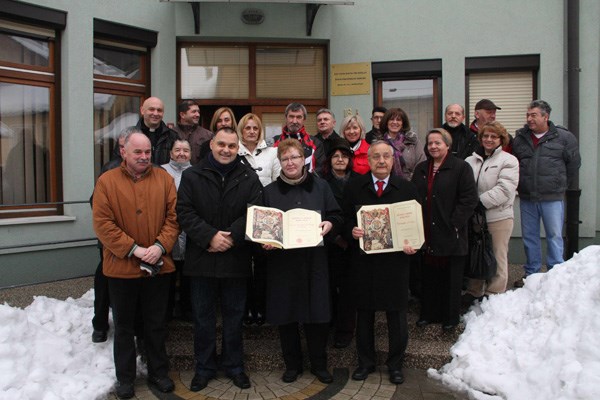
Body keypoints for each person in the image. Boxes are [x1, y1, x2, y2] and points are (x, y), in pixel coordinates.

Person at [92, 130, 179, 399]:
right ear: (124, 153)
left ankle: (158, 373)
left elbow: (173, 218)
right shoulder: (107, 181)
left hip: (157, 265)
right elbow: (103, 224)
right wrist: (135, 249)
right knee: (125, 326)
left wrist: (158, 247)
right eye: (138, 152)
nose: (143, 157)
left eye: (147, 152)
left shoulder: (164, 179)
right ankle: (125, 378)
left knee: (155, 324)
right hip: (121, 269)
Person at [176, 127, 263, 391]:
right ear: (212, 144)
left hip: (235, 260)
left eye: (232, 146)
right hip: (202, 259)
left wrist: (231, 237)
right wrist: (210, 237)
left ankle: (234, 366)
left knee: (234, 317)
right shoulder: (192, 175)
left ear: (238, 149)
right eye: (221, 144)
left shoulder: (249, 176)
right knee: (203, 318)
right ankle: (204, 368)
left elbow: (254, 211)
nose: (226, 150)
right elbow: (184, 211)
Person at [262, 138, 343, 384]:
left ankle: (319, 364)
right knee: (286, 316)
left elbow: (336, 215)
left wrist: (330, 224)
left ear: (303, 159)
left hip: (314, 262)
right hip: (283, 264)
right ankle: (292, 365)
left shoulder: (321, 187)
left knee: (317, 315)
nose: (290, 162)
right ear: (280, 162)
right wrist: (264, 241)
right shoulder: (269, 192)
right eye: (285, 159)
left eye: (294, 157)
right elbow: (261, 226)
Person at [341, 140, 419, 385]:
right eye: (376, 156)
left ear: (393, 159)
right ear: (369, 159)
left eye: (386, 156)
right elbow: (342, 219)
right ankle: (365, 363)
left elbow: (416, 225)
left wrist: (412, 243)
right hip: (363, 264)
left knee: (396, 317)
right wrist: (351, 230)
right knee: (364, 315)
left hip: (395, 264)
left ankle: (395, 365)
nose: (382, 161)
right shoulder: (354, 187)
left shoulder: (406, 188)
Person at [411, 128, 478, 331]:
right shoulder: (421, 169)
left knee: (452, 277)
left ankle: (450, 318)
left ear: (447, 145)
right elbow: (413, 197)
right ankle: (429, 313)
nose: (433, 146)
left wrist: (455, 224)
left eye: (437, 143)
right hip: (427, 232)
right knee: (430, 276)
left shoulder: (460, 167)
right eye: (430, 143)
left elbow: (469, 199)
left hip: (451, 232)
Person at [512, 100, 581, 287]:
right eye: (528, 115)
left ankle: (555, 272)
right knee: (529, 236)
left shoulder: (564, 137)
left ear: (545, 116)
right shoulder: (520, 138)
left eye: (533, 115)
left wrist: (559, 184)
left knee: (554, 235)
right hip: (527, 197)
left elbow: (573, 165)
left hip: (552, 197)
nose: (529, 119)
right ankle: (532, 272)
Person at [464, 122, 519, 299]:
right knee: (475, 254)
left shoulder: (509, 160)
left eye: (493, 136)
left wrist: (478, 202)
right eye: (485, 136)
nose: (488, 139)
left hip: (498, 217)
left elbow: (505, 189)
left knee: (497, 255)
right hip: (474, 218)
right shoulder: (469, 161)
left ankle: (495, 293)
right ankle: (474, 291)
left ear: (501, 139)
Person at [236, 113, 280, 325]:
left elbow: (278, 182)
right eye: (247, 128)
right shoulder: (234, 152)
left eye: (255, 128)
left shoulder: (273, 153)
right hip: (241, 215)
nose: (251, 131)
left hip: (266, 217)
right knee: (243, 265)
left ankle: (261, 308)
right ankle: (245, 309)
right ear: (241, 131)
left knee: (263, 265)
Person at [322, 139, 359, 349]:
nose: (340, 159)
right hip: (330, 242)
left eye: (344, 156)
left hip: (353, 243)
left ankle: (345, 331)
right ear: (329, 160)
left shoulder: (359, 181)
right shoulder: (321, 182)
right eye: (335, 156)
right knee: (329, 286)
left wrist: (349, 236)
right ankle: (330, 323)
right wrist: (335, 236)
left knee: (348, 289)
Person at [161, 139, 193, 320]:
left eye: (186, 150)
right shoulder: (161, 171)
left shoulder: (197, 172)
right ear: (171, 152)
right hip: (167, 230)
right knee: (169, 274)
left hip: (190, 232)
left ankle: (187, 309)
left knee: (188, 274)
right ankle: (168, 310)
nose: (182, 153)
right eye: (178, 149)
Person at [380, 107, 425, 180]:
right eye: (391, 119)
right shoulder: (379, 144)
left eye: (398, 120)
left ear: (403, 123)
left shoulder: (412, 141)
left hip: (410, 184)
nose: (395, 122)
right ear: (386, 122)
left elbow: (421, 163)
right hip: (387, 185)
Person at [273, 102, 318, 173]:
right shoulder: (274, 142)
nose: (294, 121)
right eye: (291, 116)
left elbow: (319, 171)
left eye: (299, 117)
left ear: (304, 119)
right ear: (286, 118)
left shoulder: (315, 143)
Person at [135, 97, 178, 165]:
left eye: (159, 110)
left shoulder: (173, 136)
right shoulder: (130, 135)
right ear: (142, 110)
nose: (155, 113)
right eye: (151, 109)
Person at [171, 99, 213, 165]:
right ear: (182, 115)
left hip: (199, 174)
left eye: (198, 112)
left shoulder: (207, 135)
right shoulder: (171, 133)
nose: (198, 114)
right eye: (194, 112)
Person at [313, 108, 341, 177]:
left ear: (334, 123)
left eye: (326, 119)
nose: (322, 122)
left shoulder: (340, 142)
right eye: (319, 120)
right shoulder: (312, 141)